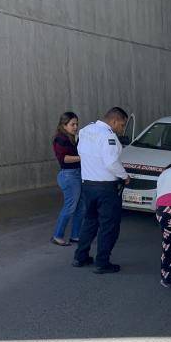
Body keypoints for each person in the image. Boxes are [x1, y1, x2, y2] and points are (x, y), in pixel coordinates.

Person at [72, 107, 130, 274]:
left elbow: (81, 152)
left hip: (88, 185)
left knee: (89, 221)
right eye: (122, 124)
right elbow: (111, 162)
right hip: (106, 188)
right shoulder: (108, 135)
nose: (122, 129)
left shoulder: (85, 130)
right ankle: (102, 262)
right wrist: (124, 176)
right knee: (108, 226)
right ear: (114, 121)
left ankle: (80, 257)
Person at [50, 112, 84, 246]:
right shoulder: (60, 139)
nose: (75, 127)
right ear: (64, 125)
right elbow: (64, 159)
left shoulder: (71, 137)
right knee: (70, 206)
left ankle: (75, 235)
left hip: (76, 174)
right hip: (69, 175)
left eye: (76, 124)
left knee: (81, 206)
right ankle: (57, 236)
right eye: (72, 124)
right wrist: (83, 157)